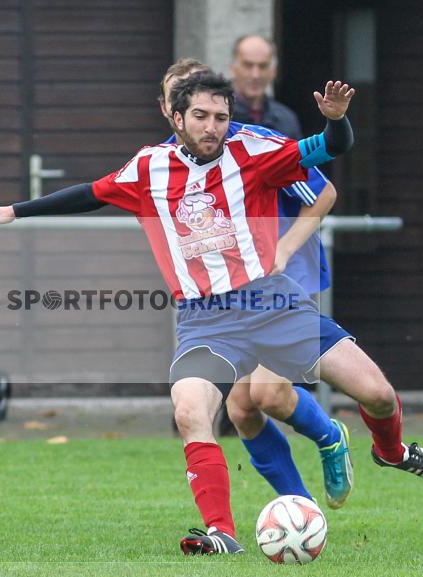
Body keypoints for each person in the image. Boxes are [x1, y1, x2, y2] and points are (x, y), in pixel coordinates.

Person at [0, 73, 423, 556]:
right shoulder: (149, 167)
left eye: (220, 117)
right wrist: (15, 211)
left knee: (378, 395)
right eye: (200, 116)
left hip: (273, 305)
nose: (211, 126)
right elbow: (90, 193)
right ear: (176, 117)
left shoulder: (254, 153)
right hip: (206, 321)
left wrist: (336, 121)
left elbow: (330, 148)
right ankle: (221, 532)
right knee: (191, 410)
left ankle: (391, 452)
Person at [158, 59, 353, 511]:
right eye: (175, 98)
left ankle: (329, 437)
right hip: (231, 295)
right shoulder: (163, 161)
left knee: (266, 394)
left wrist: (283, 247)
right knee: (242, 409)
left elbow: (322, 191)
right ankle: (300, 510)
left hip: (284, 276)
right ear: (168, 108)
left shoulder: (248, 145)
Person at [230, 35, 302, 138]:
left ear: (273, 71)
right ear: (233, 68)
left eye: (263, 66)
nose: (255, 75)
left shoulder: (286, 120)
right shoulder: (219, 115)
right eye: (248, 65)